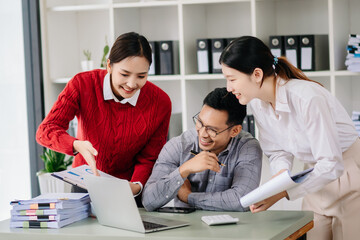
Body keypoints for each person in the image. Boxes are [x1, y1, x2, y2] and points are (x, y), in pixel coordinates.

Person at [220, 35, 360, 240]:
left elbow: (331, 164)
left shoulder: (307, 97)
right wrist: (279, 182)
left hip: (348, 174)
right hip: (313, 178)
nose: (229, 88)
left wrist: (282, 194)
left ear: (257, 74)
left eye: (232, 79)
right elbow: (277, 151)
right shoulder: (258, 103)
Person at [36, 32, 172, 199]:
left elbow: (149, 158)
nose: (131, 84)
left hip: (128, 190)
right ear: (109, 66)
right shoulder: (82, 84)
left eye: (141, 76)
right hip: (85, 186)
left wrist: (136, 186)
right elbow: (46, 130)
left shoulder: (161, 102)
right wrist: (76, 145)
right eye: (124, 74)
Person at [142, 87, 262, 212]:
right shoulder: (179, 145)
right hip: (187, 228)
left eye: (212, 130)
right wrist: (184, 170)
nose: (203, 134)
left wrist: (188, 197)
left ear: (235, 131)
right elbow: (149, 201)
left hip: (232, 228)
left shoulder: (247, 148)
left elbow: (243, 201)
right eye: (200, 122)